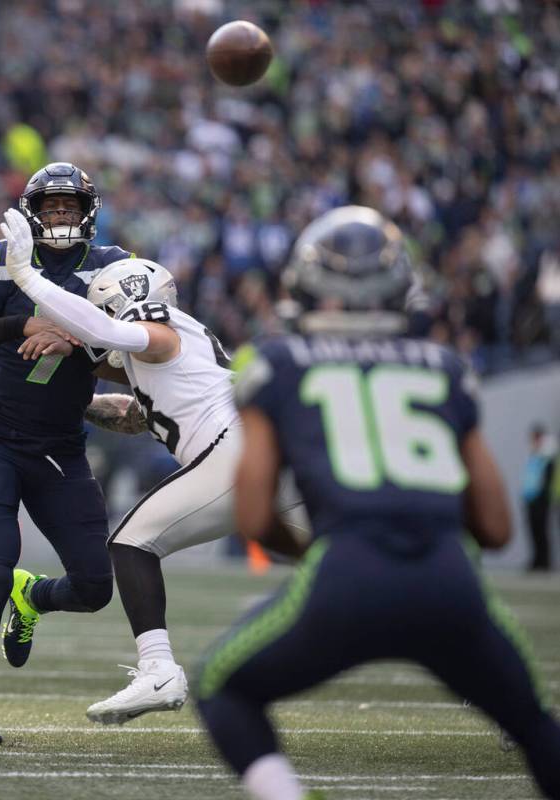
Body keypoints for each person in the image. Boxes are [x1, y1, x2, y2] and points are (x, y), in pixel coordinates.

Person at [194, 205, 560, 800]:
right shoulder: (446, 367)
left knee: (220, 685)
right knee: (533, 725)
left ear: (307, 288)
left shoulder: (276, 364)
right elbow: (495, 528)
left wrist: (321, 551)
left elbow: (255, 516)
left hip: (346, 576)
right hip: (451, 584)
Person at [0, 207, 308, 725]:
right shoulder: (175, 354)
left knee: (131, 542)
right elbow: (136, 416)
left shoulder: (158, 330)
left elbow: (118, 334)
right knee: (344, 569)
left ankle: (158, 669)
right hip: (273, 451)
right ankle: (485, 678)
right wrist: (71, 401)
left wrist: (28, 278)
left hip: (237, 450)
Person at [0, 162, 132, 746]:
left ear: (88, 213)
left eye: (70, 207)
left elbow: (131, 349)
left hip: (61, 447)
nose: (60, 216)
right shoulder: (11, 256)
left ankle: (34, 596)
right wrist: (23, 321)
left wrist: (74, 335)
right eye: (51, 208)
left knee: (95, 587)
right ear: (33, 212)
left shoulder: (112, 267)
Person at [521, 424, 554, 570]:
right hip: (531, 497)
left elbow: (546, 480)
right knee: (534, 531)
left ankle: (544, 562)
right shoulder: (534, 454)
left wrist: (542, 497)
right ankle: (537, 560)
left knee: (541, 531)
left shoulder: (547, 456)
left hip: (540, 499)